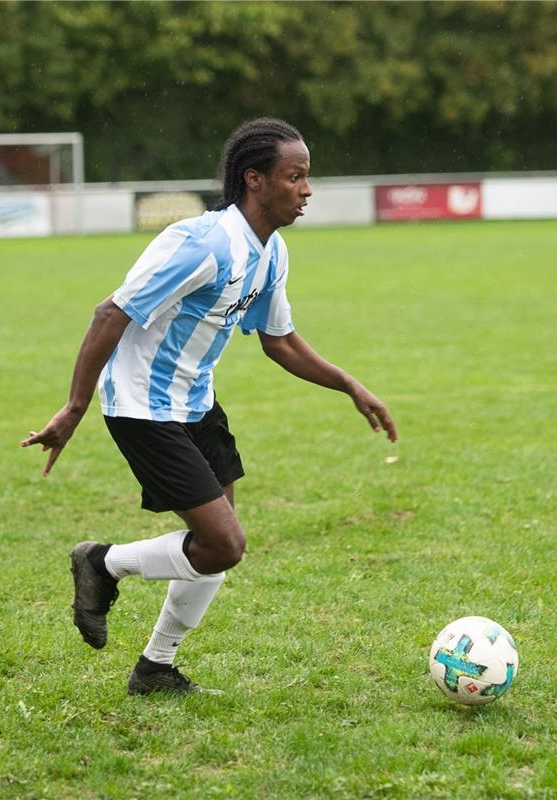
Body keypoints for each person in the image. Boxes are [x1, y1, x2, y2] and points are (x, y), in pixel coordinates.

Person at [22, 117, 397, 695]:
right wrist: (73, 408)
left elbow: (279, 340)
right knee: (225, 543)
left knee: (215, 546)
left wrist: (349, 383)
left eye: (307, 176)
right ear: (255, 180)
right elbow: (110, 313)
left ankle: (155, 668)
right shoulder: (204, 245)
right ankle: (103, 563)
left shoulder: (271, 253)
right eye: (294, 176)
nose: (307, 189)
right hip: (144, 407)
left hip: (196, 402)